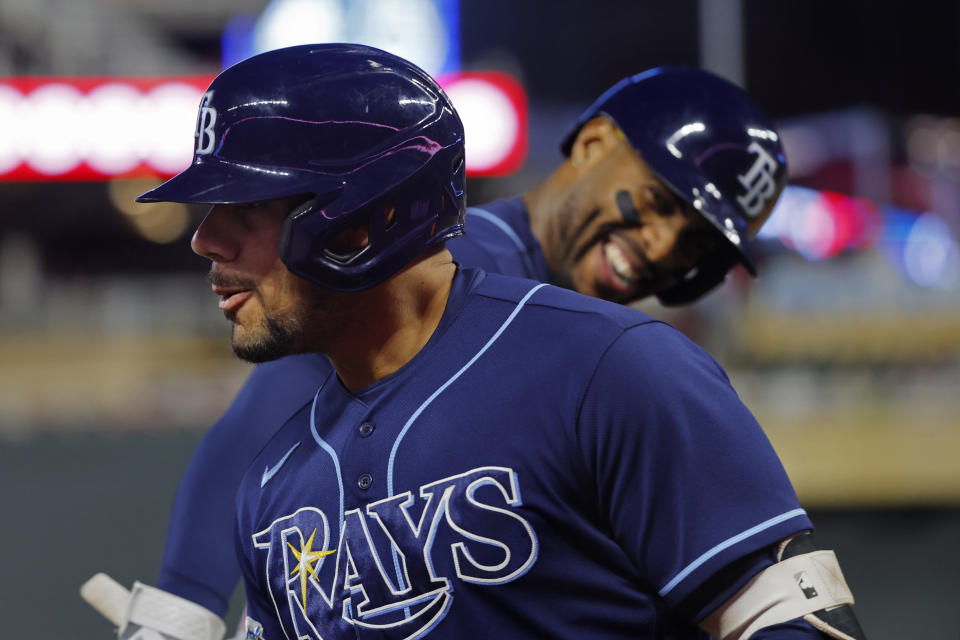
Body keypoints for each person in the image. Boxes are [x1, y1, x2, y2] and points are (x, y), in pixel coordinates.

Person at [83, 44, 867, 640]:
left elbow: (785, 611)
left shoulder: (610, 355)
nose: (664, 247)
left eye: (697, 244)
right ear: (593, 144)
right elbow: (273, 426)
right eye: (661, 201)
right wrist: (182, 604)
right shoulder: (459, 269)